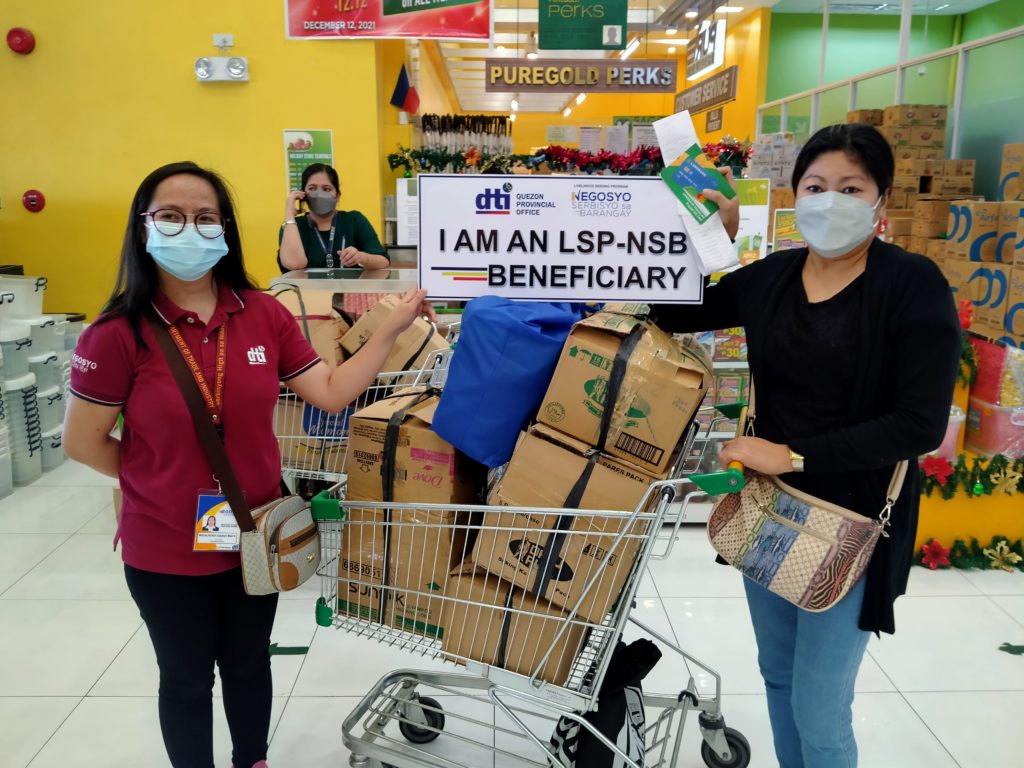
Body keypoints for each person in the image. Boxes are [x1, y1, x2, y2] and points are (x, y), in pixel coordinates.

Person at [63, 161, 434, 768]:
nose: (191, 230)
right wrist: (157, 483)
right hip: (164, 549)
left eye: (206, 217)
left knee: (248, 663)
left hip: (256, 534)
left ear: (226, 230)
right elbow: (84, 443)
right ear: (143, 227)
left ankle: (251, 760)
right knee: (184, 679)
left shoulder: (263, 314)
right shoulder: (116, 333)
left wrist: (390, 329)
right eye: (171, 217)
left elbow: (334, 391)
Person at [654, 124, 961, 767]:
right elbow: (672, 310)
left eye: (851, 187)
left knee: (821, 709)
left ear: (881, 200)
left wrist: (790, 454)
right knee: (779, 678)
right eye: (816, 186)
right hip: (766, 514)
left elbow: (918, 425)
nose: (830, 201)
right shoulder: (775, 276)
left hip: (850, 524)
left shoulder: (912, 285)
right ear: (796, 195)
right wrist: (709, 233)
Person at [278, 162, 390, 272]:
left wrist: (362, 257)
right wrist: (289, 214)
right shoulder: (291, 226)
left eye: (326, 189)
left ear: (337, 195)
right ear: (302, 195)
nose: (319, 194)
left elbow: (383, 261)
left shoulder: (354, 220)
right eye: (312, 188)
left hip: (348, 290)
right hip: (305, 290)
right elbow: (295, 264)